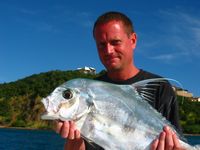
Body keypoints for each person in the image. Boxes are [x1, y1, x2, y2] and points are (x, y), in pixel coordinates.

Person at [55, 11, 184, 150]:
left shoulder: (159, 87)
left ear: (133, 40)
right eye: (101, 44)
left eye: (115, 42)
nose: (109, 50)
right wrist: (73, 137)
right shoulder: (90, 92)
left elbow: (176, 144)